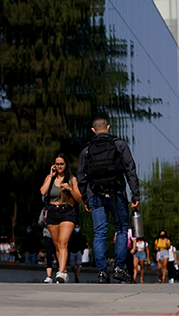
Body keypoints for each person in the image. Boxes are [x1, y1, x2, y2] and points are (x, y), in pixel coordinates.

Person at [77, 116, 140, 284]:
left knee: (99, 233)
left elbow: (81, 177)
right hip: (116, 193)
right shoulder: (120, 145)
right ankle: (119, 267)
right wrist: (135, 195)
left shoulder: (86, 150)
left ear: (93, 130)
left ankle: (102, 272)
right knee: (121, 229)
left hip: (95, 195)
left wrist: (85, 198)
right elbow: (130, 170)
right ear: (108, 127)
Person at [40, 153, 82, 283]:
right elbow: (43, 191)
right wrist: (50, 176)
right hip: (52, 211)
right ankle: (63, 271)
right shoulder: (50, 177)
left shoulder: (72, 179)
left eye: (61, 164)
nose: (59, 166)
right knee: (57, 245)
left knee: (63, 242)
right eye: (57, 164)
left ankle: (61, 272)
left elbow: (79, 199)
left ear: (66, 165)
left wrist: (69, 189)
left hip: (67, 211)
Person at [38, 206, 57, 283]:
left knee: (57, 254)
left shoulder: (57, 208)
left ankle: (60, 272)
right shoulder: (44, 210)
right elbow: (39, 222)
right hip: (47, 234)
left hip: (56, 234)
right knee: (48, 254)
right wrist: (43, 221)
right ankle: (49, 276)